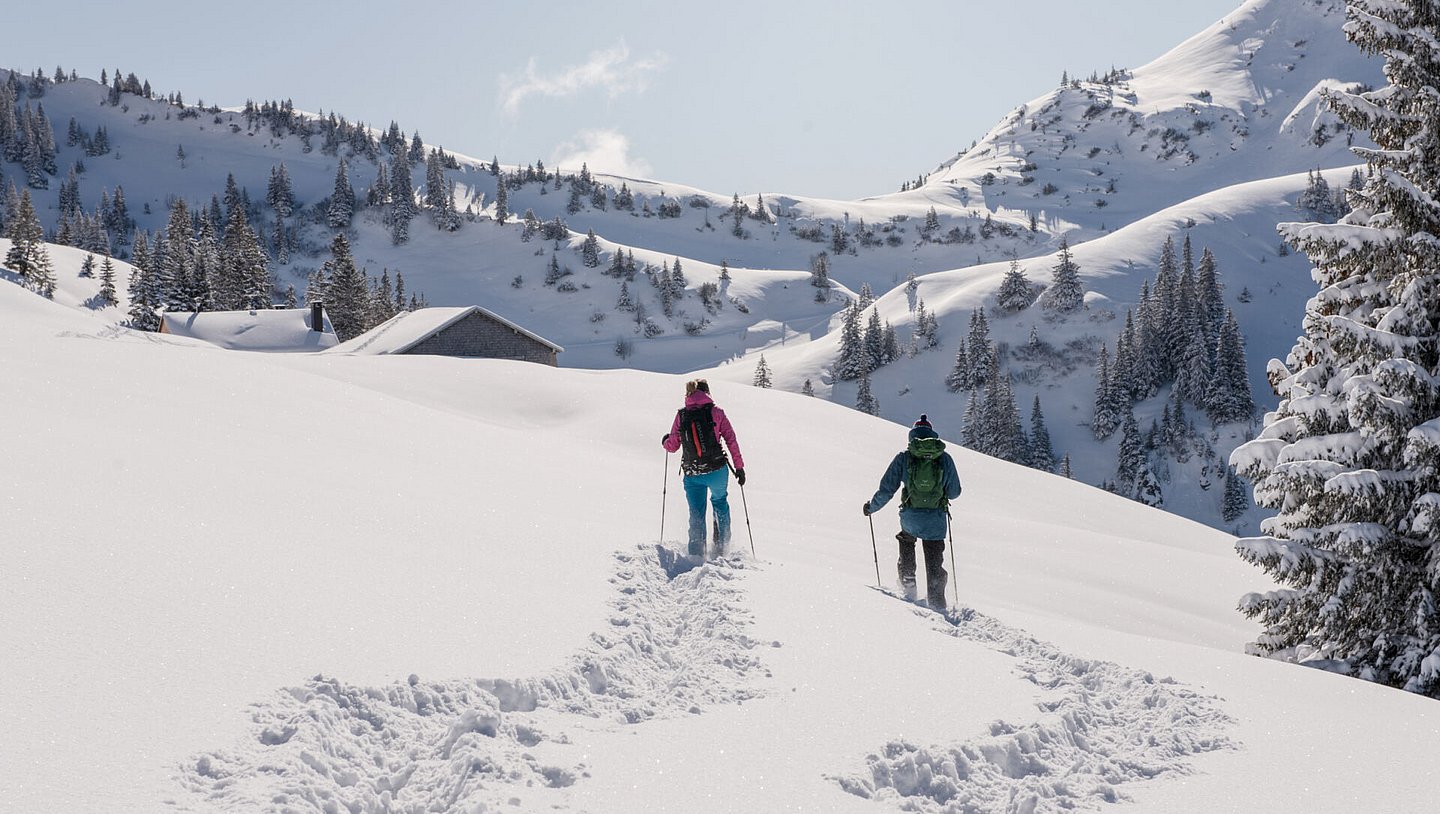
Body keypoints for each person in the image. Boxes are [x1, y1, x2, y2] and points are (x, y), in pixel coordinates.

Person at [863, 415, 962, 610]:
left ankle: (908, 585)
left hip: (911, 517)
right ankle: (937, 602)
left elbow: (887, 490)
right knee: (934, 560)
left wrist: (871, 507)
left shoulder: (905, 457)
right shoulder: (944, 458)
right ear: (932, 433)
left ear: (913, 435)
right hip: (936, 520)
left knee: (906, 541)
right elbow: (954, 492)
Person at [662, 379, 746, 561]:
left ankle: (696, 554)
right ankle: (723, 550)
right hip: (717, 470)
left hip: (693, 473)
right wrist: (739, 468)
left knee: (697, 511)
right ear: (707, 393)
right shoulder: (717, 413)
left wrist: (665, 441)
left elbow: (673, 446)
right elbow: (731, 440)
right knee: (720, 504)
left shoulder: (682, 415)